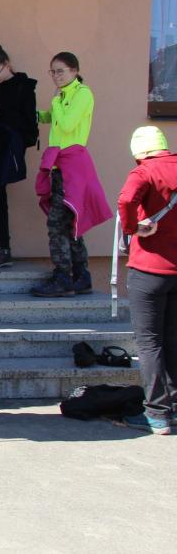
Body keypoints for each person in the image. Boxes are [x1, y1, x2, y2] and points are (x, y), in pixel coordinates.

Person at [31, 52, 111, 297]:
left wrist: (56, 101)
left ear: (74, 71)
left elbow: (66, 125)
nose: (55, 76)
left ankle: (63, 277)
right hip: (60, 166)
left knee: (57, 224)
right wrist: (32, 113)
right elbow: (53, 118)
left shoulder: (82, 94)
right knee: (68, 222)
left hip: (72, 167)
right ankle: (81, 276)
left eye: (60, 71)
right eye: (52, 72)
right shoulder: (65, 95)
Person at [117, 126, 177, 435]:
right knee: (173, 339)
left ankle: (157, 414)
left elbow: (126, 200)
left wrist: (132, 228)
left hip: (149, 270)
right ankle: (175, 407)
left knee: (150, 343)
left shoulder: (143, 172)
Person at [0, 45, 38, 270]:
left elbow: (29, 124)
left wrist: (0, 112)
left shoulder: (24, 87)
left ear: (7, 65)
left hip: (10, 149)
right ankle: (2, 246)